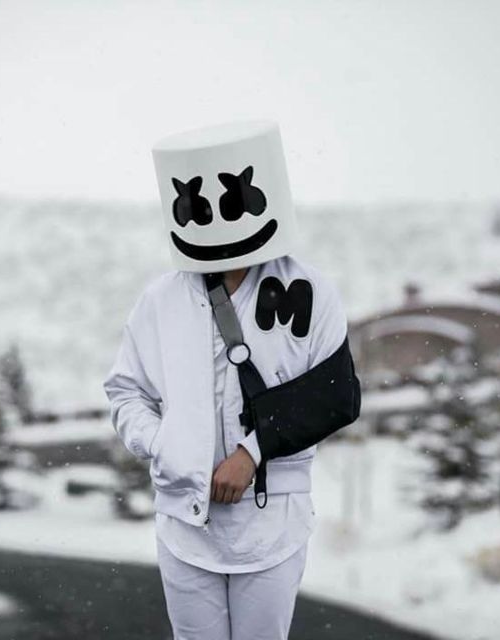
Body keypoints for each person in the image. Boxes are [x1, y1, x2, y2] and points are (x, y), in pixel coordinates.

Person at [103, 120, 361, 640]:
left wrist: (252, 452)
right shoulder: (161, 300)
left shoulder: (311, 291)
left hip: (273, 518)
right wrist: (164, 444)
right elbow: (126, 391)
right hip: (184, 518)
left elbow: (336, 395)